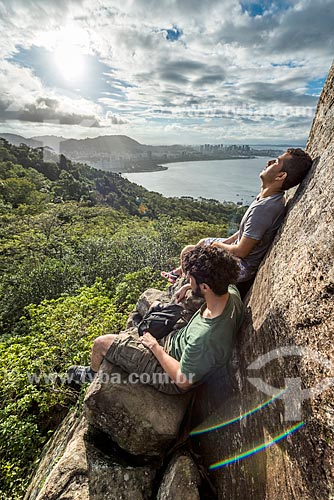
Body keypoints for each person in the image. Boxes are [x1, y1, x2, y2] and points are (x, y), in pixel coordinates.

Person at [67, 246, 244, 394]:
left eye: (190, 279)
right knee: (157, 307)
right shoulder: (229, 291)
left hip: (170, 372)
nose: (188, 281)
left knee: (101, 343)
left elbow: (183, 381)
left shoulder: (206, 338)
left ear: (205, 286)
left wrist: (155, 347)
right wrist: (188, 286)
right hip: (181, 340)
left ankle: (91, 374)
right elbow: (210, 283)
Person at [164, 148, 313, 299]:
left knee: (188, 251)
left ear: (281, 176)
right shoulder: (268, 196)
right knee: (203, 242)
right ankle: (182, 276)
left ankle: (189, 284)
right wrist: (226, 241)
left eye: (276, 162)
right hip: (239, 256)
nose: (269, 162)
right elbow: (247, 230)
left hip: (241, 266)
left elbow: (241, 251)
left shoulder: (264, 209)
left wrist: (217, 246)